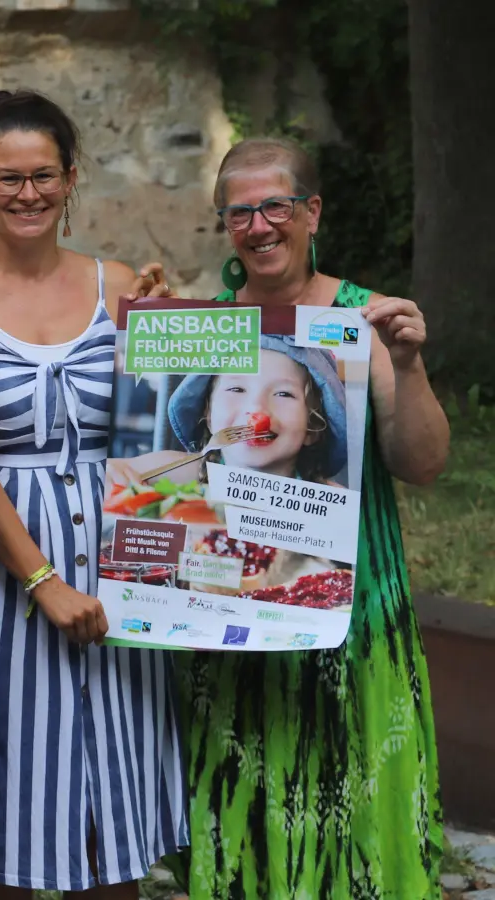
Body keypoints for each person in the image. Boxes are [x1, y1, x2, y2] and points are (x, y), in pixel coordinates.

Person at [135, 137, 449, 899]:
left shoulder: (362, 320)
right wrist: (141, 345)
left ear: (311, 212)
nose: (259, 225)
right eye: (238, 211)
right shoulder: (202, 328)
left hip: (352, 623)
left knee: (360, 837)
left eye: (275, 204)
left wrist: (405, 367)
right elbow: (151, 479)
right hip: (227, 635)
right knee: (244, 840)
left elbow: (423, 463)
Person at [0, 90, 189, 898]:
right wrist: (41, 581)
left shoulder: (120, 286)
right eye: (8, 179)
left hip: (120, 563)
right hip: (2, 569)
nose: (27, 194)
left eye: (43, 176)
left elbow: (164, 433)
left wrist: (171, 335)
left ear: (71, 179)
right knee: (5, 796)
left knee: (114, 797)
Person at [112, 336, 348, 488]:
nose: (257, 409)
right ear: (209, 415)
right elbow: (105, 476)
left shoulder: (326, 497)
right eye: (237, 389)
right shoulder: (181, 471)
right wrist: (112, 473)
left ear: (313, 428)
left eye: (284, 394)